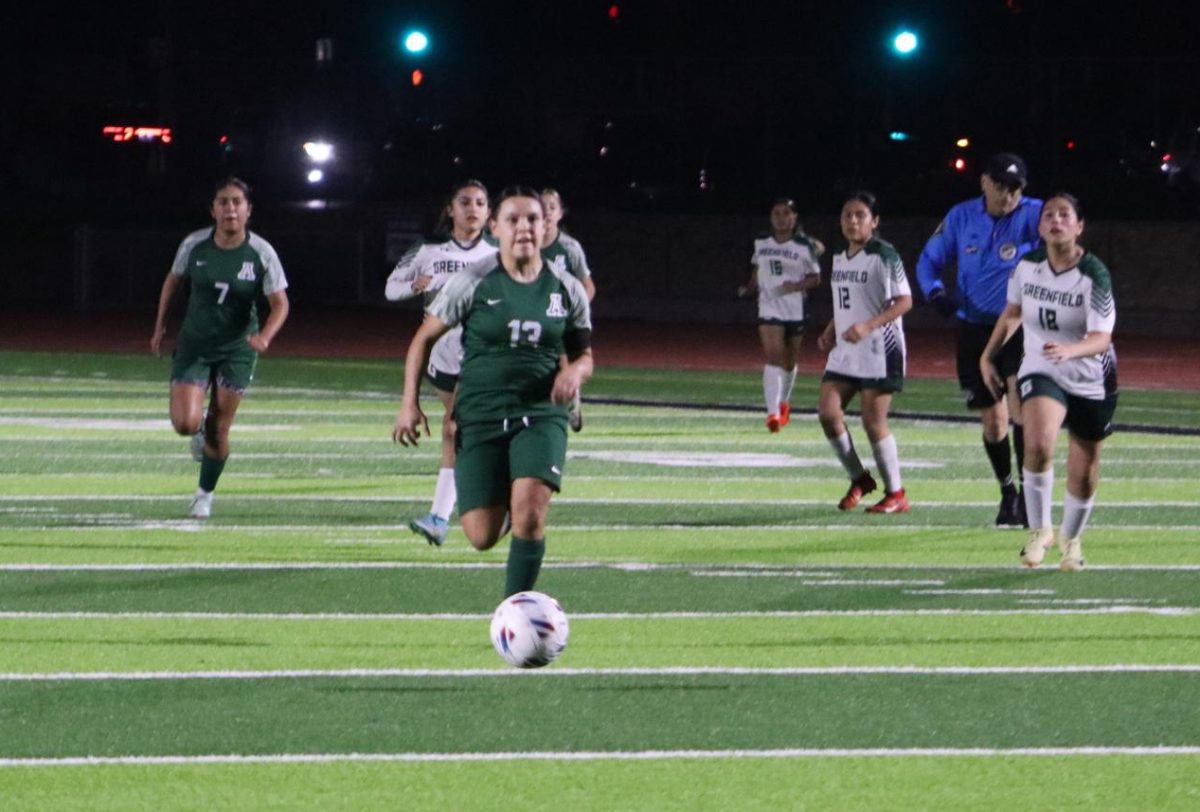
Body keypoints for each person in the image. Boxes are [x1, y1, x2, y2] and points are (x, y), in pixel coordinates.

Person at [393, 186, 593, 597]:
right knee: (480, 536)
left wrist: (575, 373)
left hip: (540, 413)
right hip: (481, 413)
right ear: (495, 228)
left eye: (533, 219)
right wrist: (408, 404)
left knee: (531, 515)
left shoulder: (566, 288)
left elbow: (585, 355)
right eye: (514, 219)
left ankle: (515, 610)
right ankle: (510, 498)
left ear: (545, 226)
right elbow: (422, 340)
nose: (524, 227)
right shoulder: (474, 280)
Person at [980, 193, 1116, 571]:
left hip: (1090, 375)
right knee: (1037, 443)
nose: (1055, 220)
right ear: (1040, 226)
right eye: (1048, 215)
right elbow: (1013, 312)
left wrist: (1072, 351)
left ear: (1079, 226)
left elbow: (1102, 337)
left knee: (1084, 466)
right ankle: (1040, 530)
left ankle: (1072, 540)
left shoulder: (1094, 274)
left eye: (1064, 214)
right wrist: (988, 354)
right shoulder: (1027, 266)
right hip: (1042, 367)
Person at [916, 152, 1043, 528]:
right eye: (1002, 187)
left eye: (1016, 189)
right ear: (984, 182)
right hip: (973, 329)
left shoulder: (1034, 214)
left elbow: (1062, 239)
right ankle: (1008, 493)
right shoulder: (960, 216)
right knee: (992, 422)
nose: (1009, 196)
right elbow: (929, 260)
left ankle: (1029, 497)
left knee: (1020, 412)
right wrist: (936, 293)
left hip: (1018, 329)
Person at [150, 177, 289, 519]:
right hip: (195, 344)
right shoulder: (195, 245)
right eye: (223, 202)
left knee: (220, 426)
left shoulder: (261, 252)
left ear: (248, 210)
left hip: (237, 349)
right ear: (212, 209)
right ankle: (197, 428)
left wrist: (266, 336)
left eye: (237, 202)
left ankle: (204, 493)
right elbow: (173, 280)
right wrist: (160, 325)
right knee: (186, 423)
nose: (230, 208)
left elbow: (280, 303)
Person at [385, 180, 495, 546]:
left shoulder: (498, 253)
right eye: (465, 202)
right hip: (441, 354)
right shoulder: (429, 249)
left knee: (453, 427)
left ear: (490, 212)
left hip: (483, 354)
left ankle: (440, 516)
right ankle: (473, 501)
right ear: (450, 209)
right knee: (458, 432)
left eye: (480, 203)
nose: (473, 208)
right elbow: (392, 287)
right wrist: (416, 284)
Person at [817, 191, 913, 514]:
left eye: (860, 215)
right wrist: (832, 328)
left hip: (880, 348)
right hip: (846, 350)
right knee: (829, 415)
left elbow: (904, 301)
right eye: (847, 215)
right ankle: (860, 478)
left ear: (875, 221)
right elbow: (846, 300)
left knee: (873, 422)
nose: (853, 221)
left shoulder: (884, 254)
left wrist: (869, 326)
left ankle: (897, 493)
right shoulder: (839, 256)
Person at [737, 197, 823, 432]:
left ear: (794, 218)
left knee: (789, 361)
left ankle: (783, 402)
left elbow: (816, 278)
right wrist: (749, 287)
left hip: (795, 308)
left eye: (786, 213)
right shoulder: (761, 242)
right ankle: (772, 413)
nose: (781, 218)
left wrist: (795, 286)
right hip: (769, 306)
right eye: (776, 213)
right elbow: (758, 269)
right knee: (774, 356)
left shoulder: (804, 246)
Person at [540, 188, 595, 432]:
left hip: (559, 318)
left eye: (552, 207)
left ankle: (570, 401)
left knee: (565, 362)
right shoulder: (526, 243)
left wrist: (576, 310)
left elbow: (588, 287)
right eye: (541, 207)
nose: (546, 212)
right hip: (533, 316)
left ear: (560, 213)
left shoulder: (569, 248)